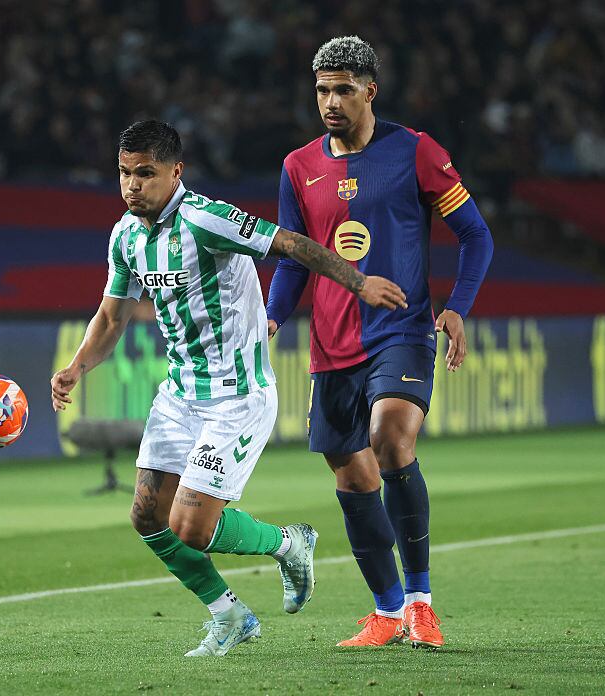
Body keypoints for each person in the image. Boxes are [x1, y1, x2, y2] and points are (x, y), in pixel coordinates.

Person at [51, 119, 407, 657]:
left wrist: (358, 282)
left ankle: (289, 543)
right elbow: (111, 316)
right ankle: (230, 614)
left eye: (144, 174)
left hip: (237, 396)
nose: (131, 186)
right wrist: (78, 367)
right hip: (179, 394)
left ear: (176, 172)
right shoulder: (125, 235)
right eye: (123, 173)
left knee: (191, 528)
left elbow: (289, 243)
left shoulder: (207, 219)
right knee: (148, 517)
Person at [266, 36, 494, 649]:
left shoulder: (415, 151)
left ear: (371, 90)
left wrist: (456, 308)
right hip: (331, 344)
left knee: (390, 438)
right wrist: (271, 318)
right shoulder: (298, 166)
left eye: (342, 89)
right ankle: (387, 612)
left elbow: (476, 235)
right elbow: (293, 258)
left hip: (403, 329)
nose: (330, 101)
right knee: (351, 477)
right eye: (321, 90)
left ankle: (421, 604)